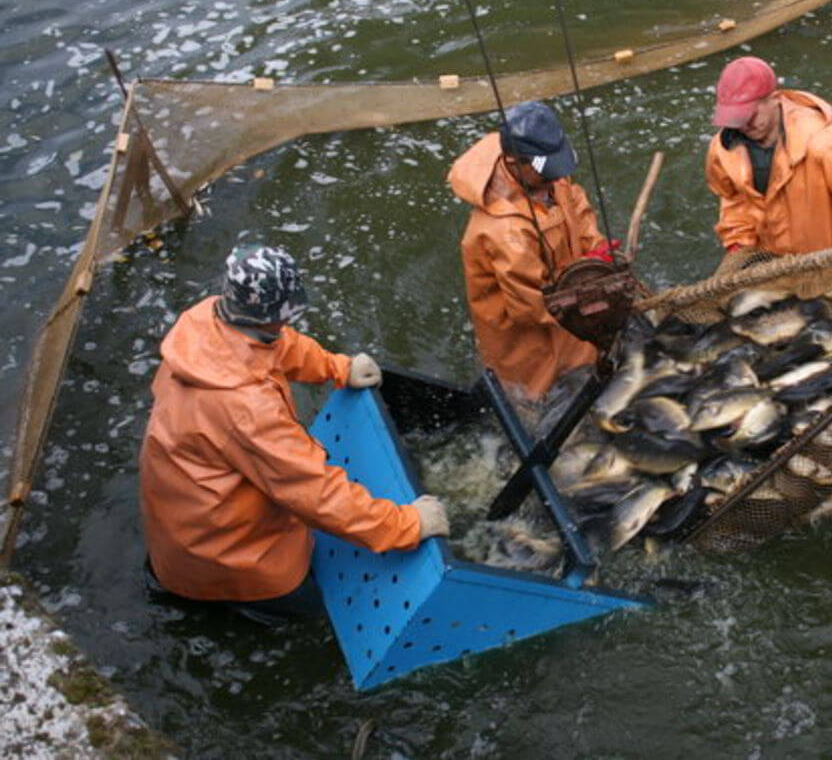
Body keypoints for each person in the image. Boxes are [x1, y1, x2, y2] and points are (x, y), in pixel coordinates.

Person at [139, 245, 449, 624]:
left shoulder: (209, 322)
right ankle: (233, 609)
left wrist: (338, 367)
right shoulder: (245, 409)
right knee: (324, 616)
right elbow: (314, 492)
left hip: (183, 531)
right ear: (271, 317)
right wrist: (406, 524)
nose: (284, 327)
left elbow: (276, 346)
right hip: (224, 557)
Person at [449, 100, 616, 401]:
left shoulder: (546, 173)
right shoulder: (503, 231)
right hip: (530, 337)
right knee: (539, 398)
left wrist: (595, 253)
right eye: (545, 172)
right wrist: (596, 300)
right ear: (515, 164)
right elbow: (531, 308)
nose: (555, 178)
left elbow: (577, 205)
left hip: (570, 301)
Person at [705, 56, 832, 256]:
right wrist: (738, 243)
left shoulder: (826, 145)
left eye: (751, 115)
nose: (744, 125)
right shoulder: (723, 150)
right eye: (737, 117)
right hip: (774, 264)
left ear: (775, 99)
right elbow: (733, 200)